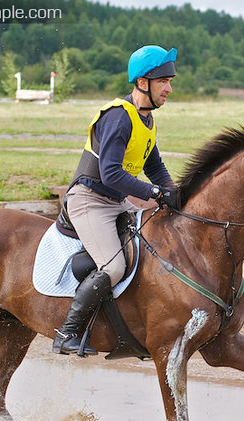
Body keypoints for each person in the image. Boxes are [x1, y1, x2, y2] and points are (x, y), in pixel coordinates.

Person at [53, 45, 181, 356]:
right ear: (142, 83)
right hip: (89, 200)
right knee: (112, 267)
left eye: (170, 81)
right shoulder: (118, 117)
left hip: (115, 200)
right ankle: (67, 332)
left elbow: (154, 166)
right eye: (163, 81)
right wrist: (152, 193)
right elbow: (110, 173)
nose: (169, 88)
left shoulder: (147, 120)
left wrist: (173, 190)